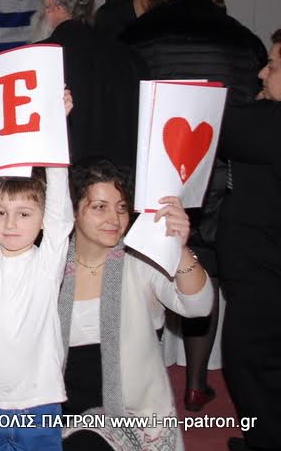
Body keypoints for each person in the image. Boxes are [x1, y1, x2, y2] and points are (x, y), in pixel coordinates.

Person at [119, 0, 266, 412]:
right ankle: (198, 382)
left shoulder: (138, 34)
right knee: (206, 271)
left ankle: (139, 372)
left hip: (152, 171)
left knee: (144, 267)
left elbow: (125, 104)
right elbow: (253, 108)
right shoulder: (244, 40)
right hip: (218, 172)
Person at [60, 160, 212, 451]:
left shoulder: (140, 263)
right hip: (56, 410)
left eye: (121, 208)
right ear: (73, 211)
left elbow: (199, 306)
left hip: (129, 416)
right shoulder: (50, 266)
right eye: (100, 207)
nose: (114, 219)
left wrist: (180, 248)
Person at [0, 84, 73, 449]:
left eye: (24, 214)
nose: (10, 224)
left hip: (36, 406)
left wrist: (57, 125)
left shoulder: (46, 262)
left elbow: (60, 206)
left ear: (42, 219)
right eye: (0, 212)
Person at [216, 29, 281, 451]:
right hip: (262, 273)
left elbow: (216, 127)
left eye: (272, 66)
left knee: (246, 364)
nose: (261, 73)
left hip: (264, 278)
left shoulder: (268, 126)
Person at [38, 0, 144, 171]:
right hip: (119, 181)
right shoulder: (131, 58)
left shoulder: (37, 57)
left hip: (62, 180)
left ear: (50, 2)